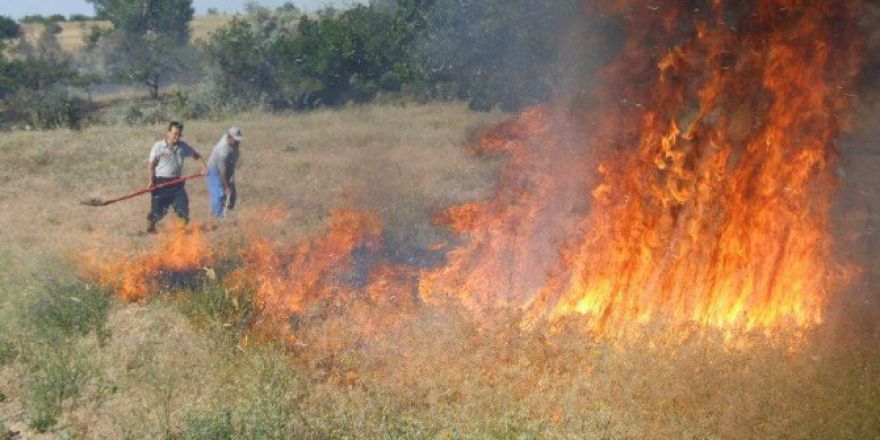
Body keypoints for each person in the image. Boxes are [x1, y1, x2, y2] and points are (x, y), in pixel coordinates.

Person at [146, 121, 206, 233]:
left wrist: (204, 168)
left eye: (179, 135)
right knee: (158, 212)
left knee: (183, 213)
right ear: (168, 132)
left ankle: (179, 234)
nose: (177, 137)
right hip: (160, 183)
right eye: (175, 134)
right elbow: (151, 165)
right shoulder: (158, 146)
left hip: (177, 183)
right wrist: (151, 181)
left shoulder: (183, 147)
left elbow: (197, 156)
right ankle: (151, 224)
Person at [206, 126, 243, 218]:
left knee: (232, 196)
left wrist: (230, 178)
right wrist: (226, 186)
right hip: (215, 170)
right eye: (236, 140)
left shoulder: (234, 144)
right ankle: (217, 217)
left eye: (239, 140)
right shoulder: (223, 150)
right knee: (219, 194)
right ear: (229, 137)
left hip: (227, 169)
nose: (238, 142)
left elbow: (232, 164)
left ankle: (227, 214)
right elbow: (222, 171)